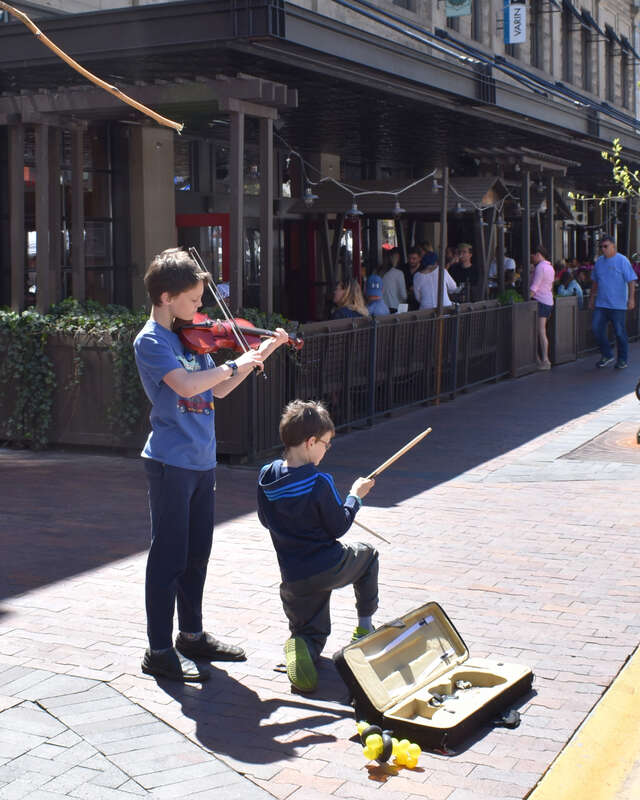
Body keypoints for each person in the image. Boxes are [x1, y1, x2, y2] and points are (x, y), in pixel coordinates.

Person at [133, 248, 289, 682]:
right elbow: (185, 385)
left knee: (197, 553)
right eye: (193, 300)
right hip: (169, 462)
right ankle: (159, 649)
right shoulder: (151, 340)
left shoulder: (191, 336)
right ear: (166, 296)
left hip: (202, 461)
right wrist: (233, 363)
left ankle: (192, 635)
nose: (200, 309)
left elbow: (217, 391)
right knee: (168, 556)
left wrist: (264, 351)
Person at [257, 400, 378, 693]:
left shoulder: (267, 476)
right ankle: (364, 628)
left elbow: (264, 520)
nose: (326, 449)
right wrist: (355, 497)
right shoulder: (319, 481)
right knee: (368, 555)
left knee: (312, 632)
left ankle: (302, 646)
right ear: (311, 442)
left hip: (294, 576)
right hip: (328, 565)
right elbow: (338, 526)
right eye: (326, 444)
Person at [590, 235, 637, 369]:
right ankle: (607, 355)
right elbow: (595, 281)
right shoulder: (599, 262)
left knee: (619, 332)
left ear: (613, 246)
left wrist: (631, 299)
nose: (603, 249)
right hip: (601, 304)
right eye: (601, 247)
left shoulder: (622, 261)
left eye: (606, 246)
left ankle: (622, 359)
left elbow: (631, 280)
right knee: (596, 328)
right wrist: (592, 298)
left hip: (618, 305)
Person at [530, 244, 555, 370]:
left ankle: (544, 360)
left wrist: (526, 298)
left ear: (538, 254)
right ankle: (542, 359)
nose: (532, 258)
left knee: (540, 331)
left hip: (540, 301)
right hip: (548, 300)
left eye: (532, 256)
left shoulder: (540, 267)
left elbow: (535, 286)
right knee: (541, 331)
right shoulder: (549, 267)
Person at [381, 247, 407, 313]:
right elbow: (403, 295)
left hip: (381, 308)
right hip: (394, 308)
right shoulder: (399, 273)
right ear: (397, 258)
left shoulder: (377, 271)